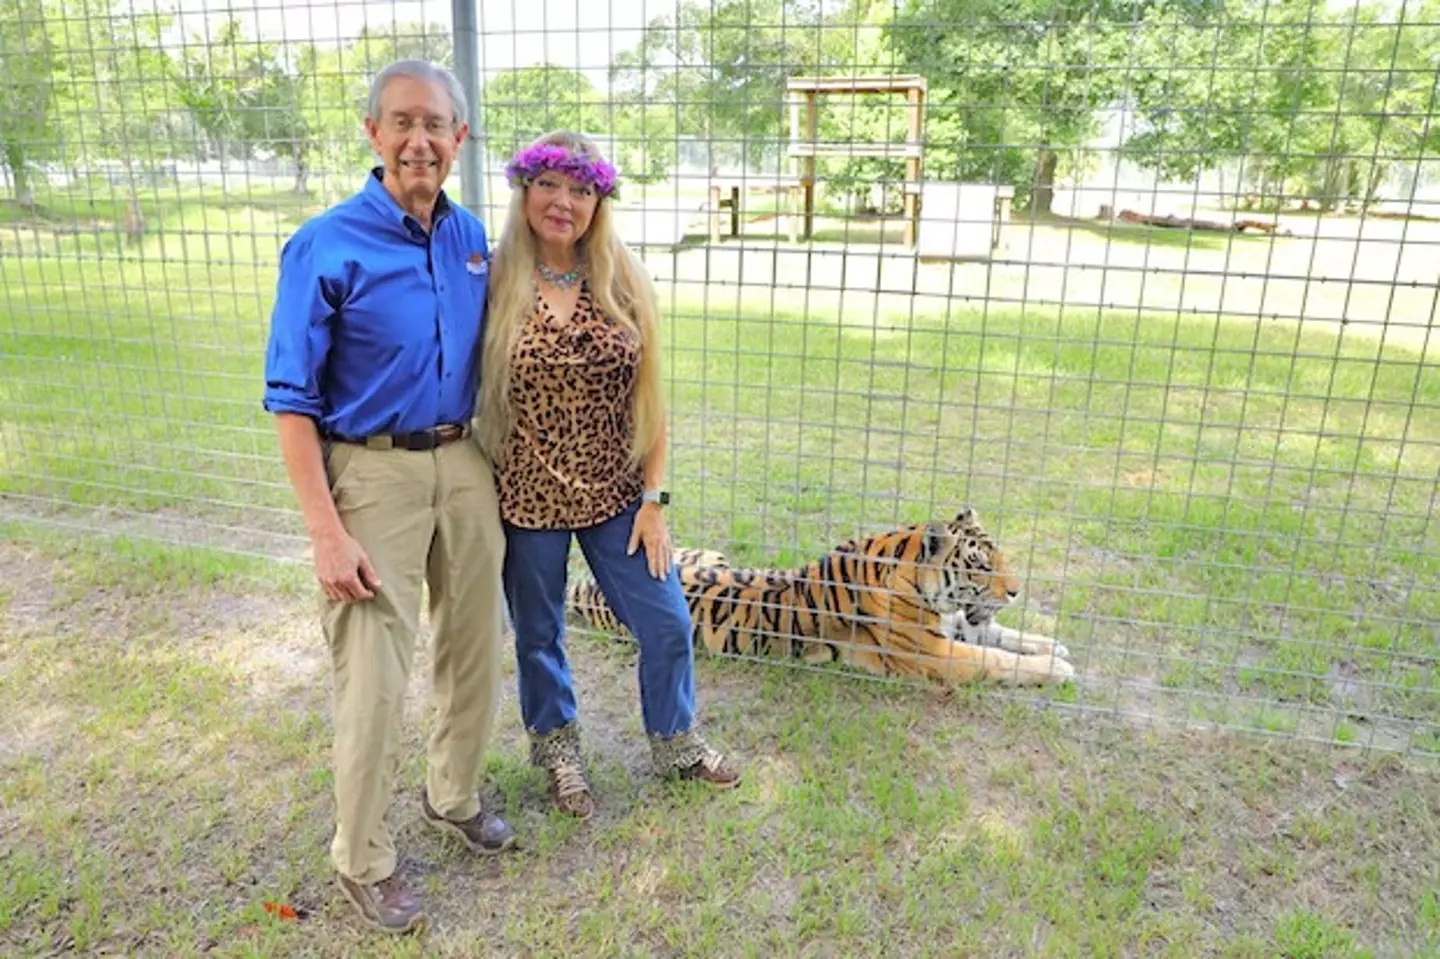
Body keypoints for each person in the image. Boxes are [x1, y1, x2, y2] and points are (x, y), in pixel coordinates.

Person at [262, 58, 515, 935]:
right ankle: (362, 855)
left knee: (476, 642)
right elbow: (292, 400)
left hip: (465, 461)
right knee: (374, 670)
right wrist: (327, 533)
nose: (419, 140)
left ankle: (453, 791)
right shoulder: (325, 244)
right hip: (370, 470)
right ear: (372, 133)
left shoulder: (472, 236)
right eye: (401, 122)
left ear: (459, 139)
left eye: (434, 125)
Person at [474, 131, 743, 820]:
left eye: (582, 189)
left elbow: (650, 400)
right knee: (538, 631)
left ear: (599, 200)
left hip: (617, 491)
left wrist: (654, 499)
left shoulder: (621, 275)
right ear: (524, 191)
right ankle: (560, 753)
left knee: (664, 620)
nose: (564, 202)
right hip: (526, 493)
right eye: (549, 185)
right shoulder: (493, 274)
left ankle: (676, 741)